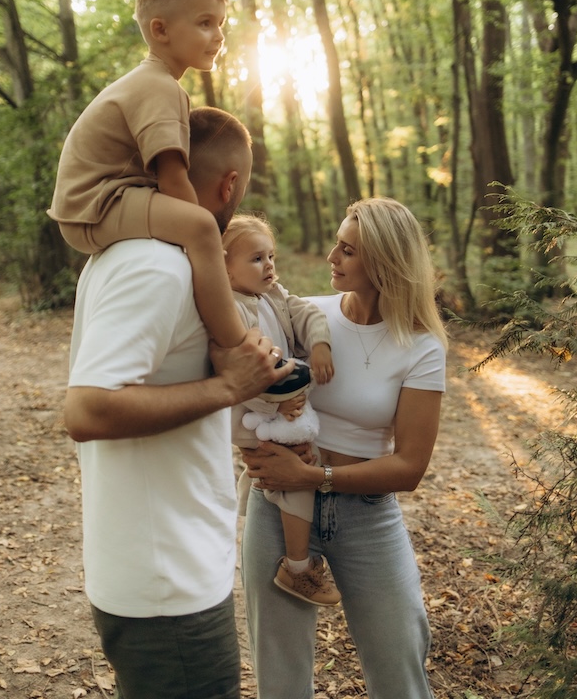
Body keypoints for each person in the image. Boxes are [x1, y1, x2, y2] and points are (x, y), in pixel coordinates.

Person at [63, 106, 294, 699]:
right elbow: (86, 410)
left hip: (168, 567)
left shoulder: (145, 255)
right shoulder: (156, 266)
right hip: (166, 584)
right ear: (230, 185)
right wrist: (228, 388)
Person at [240, 197, 447, 699]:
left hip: (366, 515)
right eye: (336, 243)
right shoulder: (308, 315)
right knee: (281, 675)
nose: (332, 256)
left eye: (347, 249)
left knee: (400, 663)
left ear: (384, 261)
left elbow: (409, 467)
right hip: (277, 507)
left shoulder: (422, 347)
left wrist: (314, 478)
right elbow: (250, 376)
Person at [48, 0, 246, 349]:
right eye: (206, 23)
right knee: (203, 228)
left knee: (195, 227)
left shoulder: (154, 82)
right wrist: (198, 235)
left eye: (221, 24)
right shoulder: (159, 88)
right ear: (160, 30)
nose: (219, 36)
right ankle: (235, 343)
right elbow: (173, 179)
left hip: (98, 201)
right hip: (96, 202)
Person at [223, 215, 339, 606]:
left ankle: (256, 486)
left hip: (280, 405)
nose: (269, 265)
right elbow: (236, 369)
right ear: (223, 266)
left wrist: (319, 343)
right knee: (299, 480)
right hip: (256, 409)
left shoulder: (272, 295)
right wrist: (275, 401)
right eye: (256, 259)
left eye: (270, 255)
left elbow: (305, 312)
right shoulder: (230, 312)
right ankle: (298, 566)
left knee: (289, 467)